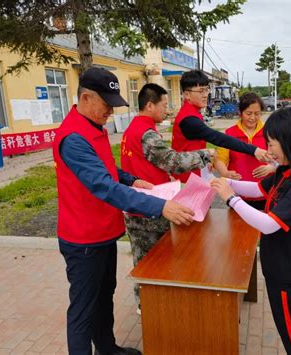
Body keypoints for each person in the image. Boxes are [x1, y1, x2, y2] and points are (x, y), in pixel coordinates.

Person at [53, 67, 194, 355]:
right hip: (83, 241)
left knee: (104, 297)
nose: (111, 111)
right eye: (107, 104)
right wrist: (160, 206)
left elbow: (105, 168)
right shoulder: (74, 138)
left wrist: (131, 178)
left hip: (103, 233)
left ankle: (108, 348)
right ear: (86, 97)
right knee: (83, 309)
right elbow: (104, 186)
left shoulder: (93, 128)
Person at [211, 107, 291, 355]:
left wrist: (231, 198)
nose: (269, 150)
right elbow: (257, 189)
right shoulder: (287, 170)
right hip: (280, 268)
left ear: (290, 140)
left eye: (272, 143)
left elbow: (269, 223)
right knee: (289, 330)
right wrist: (228, 182)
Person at [120, 83, 214, 312]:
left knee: (144, 260)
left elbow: (149, 165)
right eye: (163, 105)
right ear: (150, 105)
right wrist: (203, 154)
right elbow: (171, 160)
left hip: (139, 205)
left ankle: (148, 305)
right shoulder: (146, 133)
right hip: (148, 210)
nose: (167, 109)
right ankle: (151, 309)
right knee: (152, 263)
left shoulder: (134, 128)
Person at [171, 70, 270, 182]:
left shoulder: (193, 113)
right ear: (187, 94)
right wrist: (254, 150)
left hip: (193, 173)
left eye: (206, 90)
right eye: (201, 91)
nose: (205, 95)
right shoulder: (188, 119)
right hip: (186, 179)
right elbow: (217, 138)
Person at [214, 92, 276, 210]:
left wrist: (271, 168)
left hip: (266, 194)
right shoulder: (229, 134)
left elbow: (283, 160)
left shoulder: (269, 132)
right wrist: (226, 173)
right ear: (240, 113)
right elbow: (218, 160)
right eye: (248, 113)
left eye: (257, 114)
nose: (253, 118)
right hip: (238, 196)